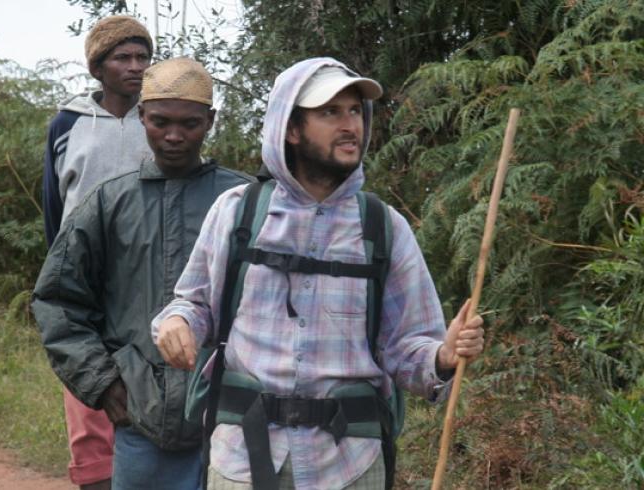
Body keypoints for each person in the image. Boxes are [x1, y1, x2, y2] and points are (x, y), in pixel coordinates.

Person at [152, 57, 486, 490]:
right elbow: (194, 304)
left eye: (354, 112)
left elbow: (408, 348)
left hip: (351, 465)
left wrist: (443, 356)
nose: (350, 125)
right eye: (330, 112)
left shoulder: (383, 227)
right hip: (243, 461)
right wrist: (176, 323)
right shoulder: (238, 211)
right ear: (290, 129)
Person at [33, 57, 253, 490]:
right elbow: (57, 299)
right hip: (141, 421)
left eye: (189, 123)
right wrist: (104, 384)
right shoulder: (108, 203)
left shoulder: (245, 201)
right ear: (141, 117)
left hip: (234, 423)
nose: (173, 136)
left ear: (210, 120)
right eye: (160, 122)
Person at [40, 15, 153, 490]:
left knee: (142, 386)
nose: (135, 67)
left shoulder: (159, 117)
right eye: (122, 58)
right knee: (87, 381)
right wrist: (62, 272)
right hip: (84, 275)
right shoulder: (68, 124)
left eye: (142, 57)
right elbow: (54, 207)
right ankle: (95, 478)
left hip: (146, 273)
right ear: (98, 67)